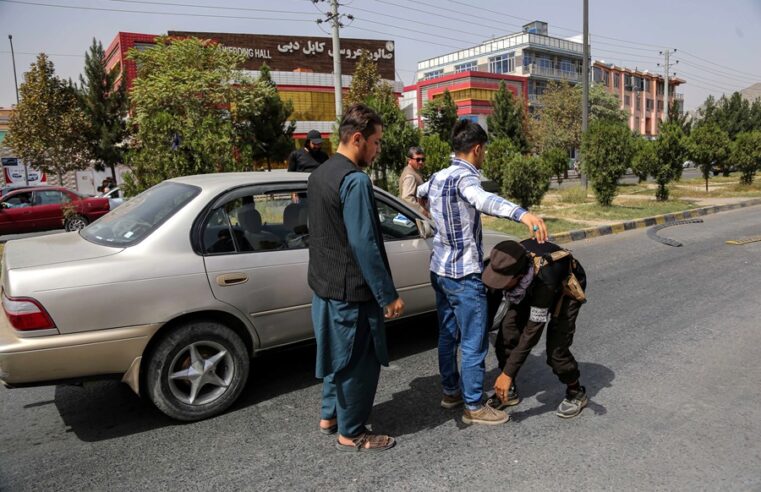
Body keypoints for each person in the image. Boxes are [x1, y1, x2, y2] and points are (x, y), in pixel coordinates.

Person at [416, 119, 547, 426]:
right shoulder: (465, 180)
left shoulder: (437, 177)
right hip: (463, 275)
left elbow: (419, 193)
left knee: (448, 335)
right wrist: (522, 214)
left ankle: (451, 392)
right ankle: (474, 405)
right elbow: (483, 200)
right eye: (484, 150)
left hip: (439, 269)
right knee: (474, 340)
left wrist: (434, 217)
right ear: (477, 149)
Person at [307, 103, 405, 452]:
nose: (378, 150)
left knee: (335, 356)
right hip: (352, 293)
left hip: (324, 287)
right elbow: (364, 244)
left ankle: (329, 415)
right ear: (358, 139)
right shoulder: (355, 181)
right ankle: (352, 432)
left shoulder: (319, 174)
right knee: (357, 364)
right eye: (376, 142)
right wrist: (387, 294)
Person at [483, 239, 589, 418]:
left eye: (503, 281)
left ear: (518, 276)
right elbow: (492, 300)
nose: (498, 283)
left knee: (556, 351)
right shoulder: (503, 263)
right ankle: (509, 391)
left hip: (564, 290)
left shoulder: (545, 279)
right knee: (506, 337)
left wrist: (507, 374)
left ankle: (576, 391)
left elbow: (532, 331)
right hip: (528, 287)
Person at [398, 146, 427, 216]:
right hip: (414, 217)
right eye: (418, 159)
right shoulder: (410, 176)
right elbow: (407, 198)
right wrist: (423, 211)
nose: (421, 162)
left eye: (423, 159)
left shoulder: (413, 171)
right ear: (409, 160)